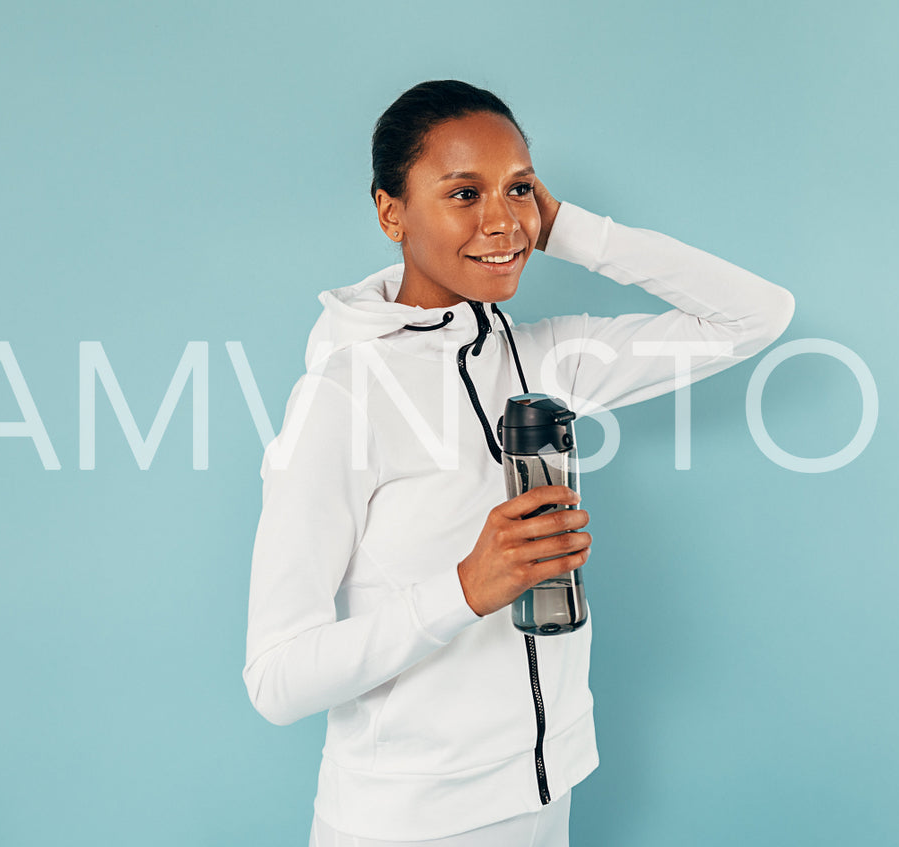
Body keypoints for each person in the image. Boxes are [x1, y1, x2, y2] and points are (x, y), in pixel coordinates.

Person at [243, 80, 796, 846]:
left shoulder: (541, 359)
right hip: (405, 825)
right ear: (390, 212)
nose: (499, 220)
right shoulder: (342, 398)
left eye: (519, 189)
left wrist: (558, 225)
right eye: (463, 193)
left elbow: (755, 315)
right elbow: (276, 678)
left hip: (543, 799)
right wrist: (466, 589)